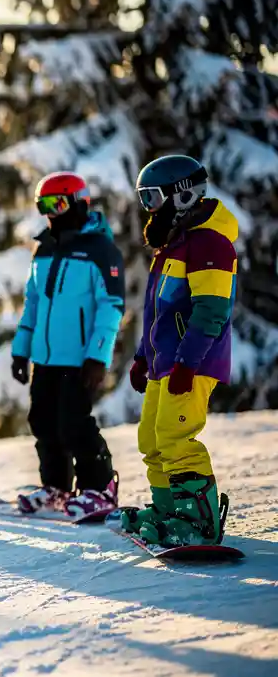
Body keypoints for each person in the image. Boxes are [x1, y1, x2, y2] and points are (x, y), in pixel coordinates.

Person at [120, 155, 237, 546]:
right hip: (163, 362)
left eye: (152, 198)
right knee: (152, 441)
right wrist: (142, 355)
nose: (148, 209)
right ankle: (170, 510)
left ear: (182, 196)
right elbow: (158, 311)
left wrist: (188, 362)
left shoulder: (210, 244)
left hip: (191, 362)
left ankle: (200, 525)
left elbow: (212, 309)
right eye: (143, 199)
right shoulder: (173, 246)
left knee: (175, 437)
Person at [10, 172, 125, 518]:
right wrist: (21, 349)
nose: (51, 212)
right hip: (45, 357)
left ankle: (99, 487)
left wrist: (98, 356)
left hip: (79, 358)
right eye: (44, 205)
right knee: (42, 421)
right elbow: (33, 304)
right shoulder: (44, 247)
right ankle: (57, 487)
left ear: (80, 203)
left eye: (58, 203)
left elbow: (111, 307)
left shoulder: (100, 251)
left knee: (73, 423)